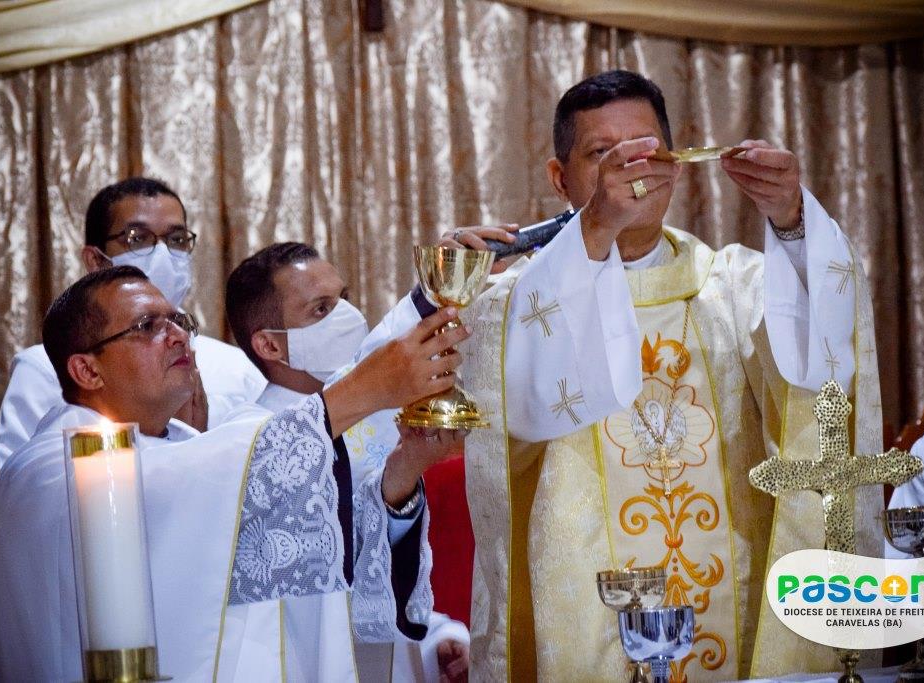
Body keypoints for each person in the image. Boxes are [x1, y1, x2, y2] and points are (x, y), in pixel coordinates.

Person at [360, 69, 884, 681]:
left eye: (644, 151)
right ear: (560, 178)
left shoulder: (736, 287)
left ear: (676, 165)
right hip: (581, 621)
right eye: (602, 154)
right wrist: (594, 228)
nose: (627, 170)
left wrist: (792, 219)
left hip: (732, 611)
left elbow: (827, 356)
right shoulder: (511, 302)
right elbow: (386, 402)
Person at [0, 266, 469, 681]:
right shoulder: (46, 474)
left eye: (178, 320)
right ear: (88, 371)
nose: (178, 335)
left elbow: (314, 577)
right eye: (147, 326)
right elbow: (181, 481)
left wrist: (401, 471)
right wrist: (363, 389)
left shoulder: (191, 450)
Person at [225, 242, 471, 682]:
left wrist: (437, 635)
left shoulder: (377, 414)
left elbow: (374, 567)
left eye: (344, 298)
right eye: (321, 309)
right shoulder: (253, 442)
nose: (347, 316)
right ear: (270, 344)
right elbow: (309, 589)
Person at [0, 177, 266, 467]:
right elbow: (29, 478)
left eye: (176, 239)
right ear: (96, 260)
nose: (162, 254)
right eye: (138, 238)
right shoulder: (45, 369)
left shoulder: (240, 368)